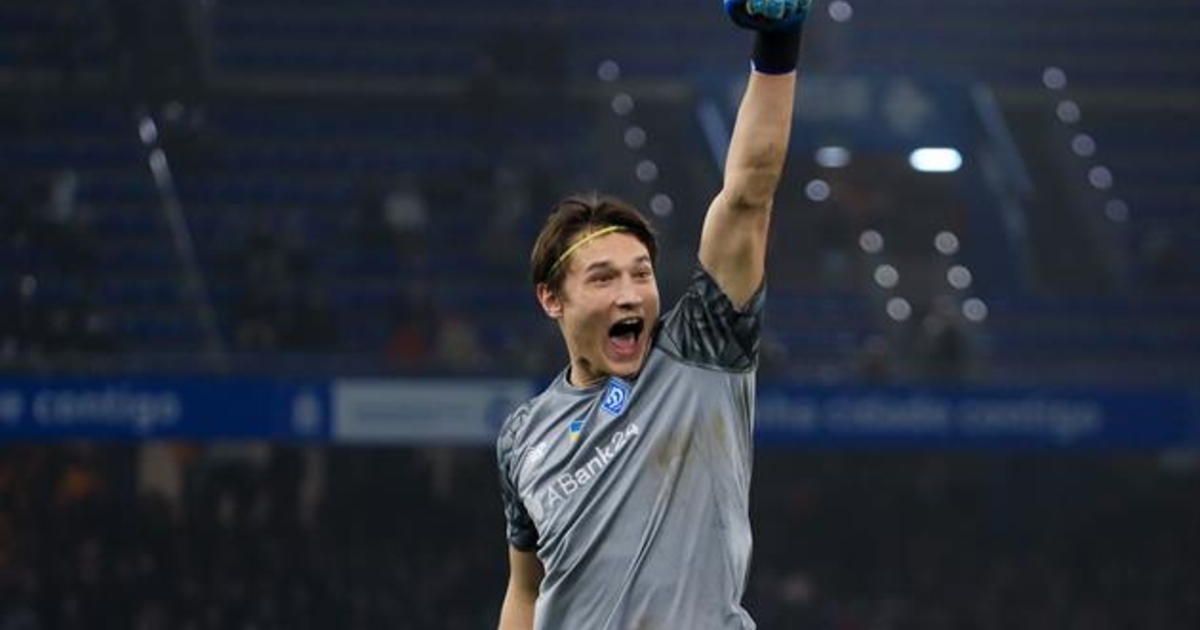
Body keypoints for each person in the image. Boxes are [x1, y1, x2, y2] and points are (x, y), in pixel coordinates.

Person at [494, 2, 810, 628]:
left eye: (641, 273)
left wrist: (778, 44)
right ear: (551, 299)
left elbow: (747, 197)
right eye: (603, 277)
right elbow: (525, 590)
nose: (630, 294)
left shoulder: (701, 348)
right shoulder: (522, 436)